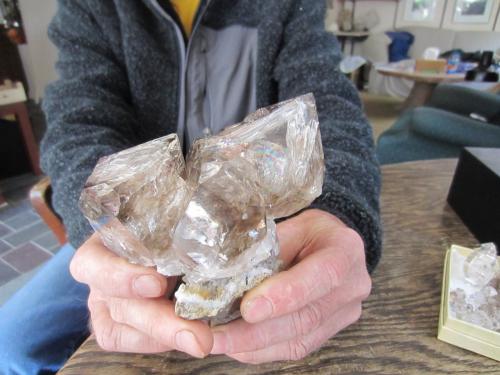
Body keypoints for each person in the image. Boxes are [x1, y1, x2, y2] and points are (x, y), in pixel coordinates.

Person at [0, 0, 382, 373]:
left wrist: (340, 212)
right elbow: (78, 119)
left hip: (267, 232)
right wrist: (114, 229)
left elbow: (328, 107)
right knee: (12, 346)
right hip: (138, 243)